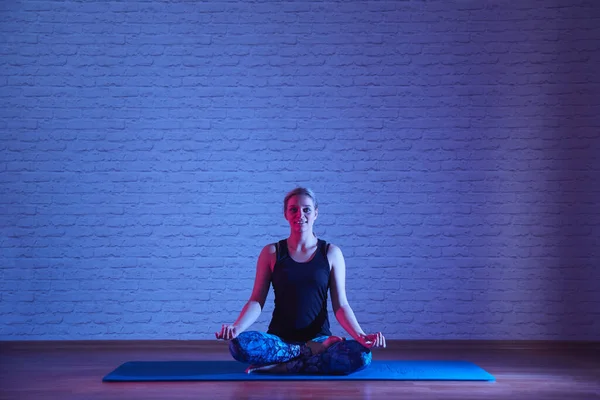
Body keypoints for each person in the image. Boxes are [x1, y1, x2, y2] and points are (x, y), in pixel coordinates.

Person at [215, 187, 386, 375]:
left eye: (306, 209)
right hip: (280, 341)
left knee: (362, 356)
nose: (300, 214)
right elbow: (256, 300)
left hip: (320, 338)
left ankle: (285, 366)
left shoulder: (331, 253)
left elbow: (341, 305)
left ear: (316, 214)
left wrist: (360, 336)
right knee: (239, 345)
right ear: (286, 214)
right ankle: (306, 354)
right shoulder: (271, 252)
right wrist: (236, 327)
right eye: (293, 209)